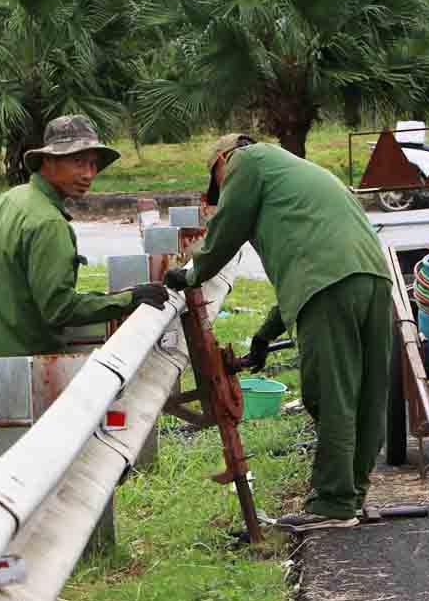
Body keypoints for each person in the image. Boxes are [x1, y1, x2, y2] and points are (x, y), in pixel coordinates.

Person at [164, 134, 393, 531]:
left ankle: (333, 505)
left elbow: (227, 227)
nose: (224, 187)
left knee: (331, 390)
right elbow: (311, 260)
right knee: (369, 393)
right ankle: (352, 494)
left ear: (222, 160)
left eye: (219, 181)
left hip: (329, 284)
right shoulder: (297, 173)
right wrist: (266, 333)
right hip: (372, 278)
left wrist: (190, 274)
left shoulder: (246, 161)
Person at [0, 115, 169, 383]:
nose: (88, 174)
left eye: (93, 164)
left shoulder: (7, 200)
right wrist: (128, 299)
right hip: (9, 368)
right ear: (48, 161)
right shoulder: (48, 223)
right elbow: (59, 308)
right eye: (77, 162)